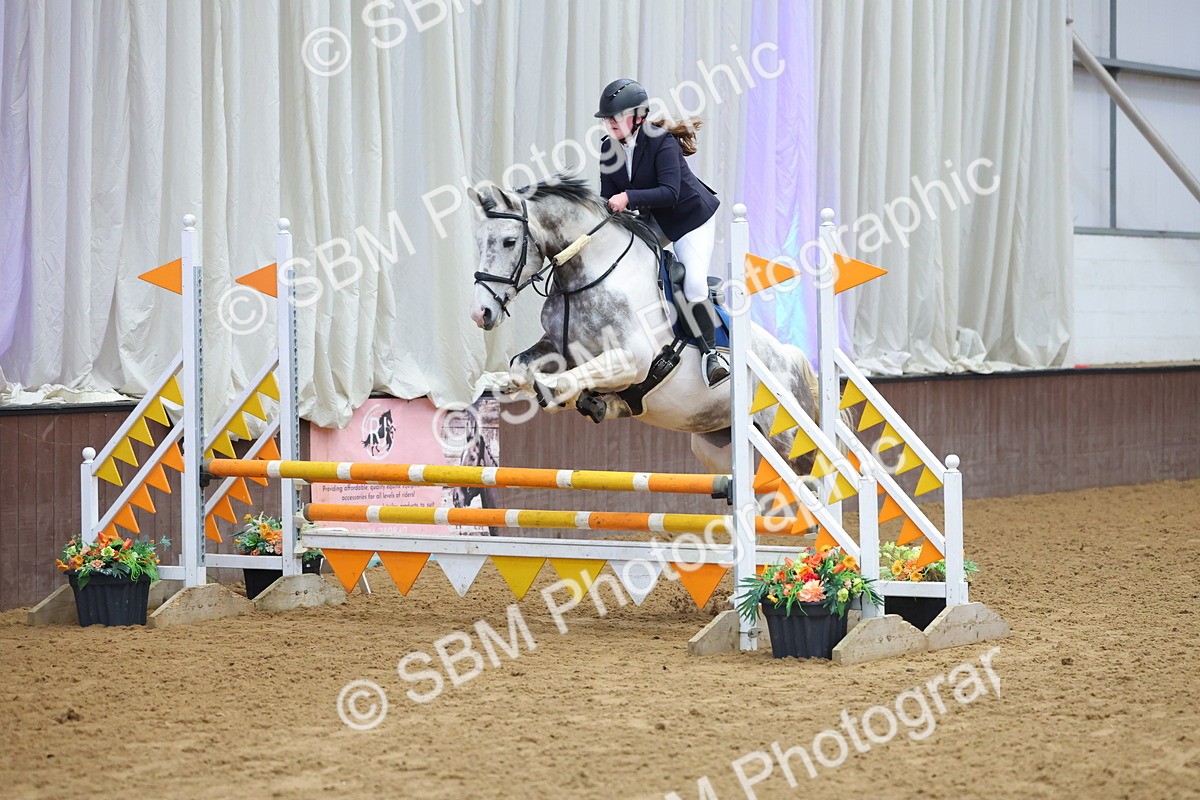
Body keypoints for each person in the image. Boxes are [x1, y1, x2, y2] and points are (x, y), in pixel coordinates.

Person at [595, 78, 729, 388]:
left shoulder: (660, 141)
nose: (610, 123)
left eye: (616, 117)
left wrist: (628, 198)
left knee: (693, 285)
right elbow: (607, 196)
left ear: (639, 116)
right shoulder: (607, 147)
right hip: (656, 220)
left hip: (691, 218)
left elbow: (670, 192)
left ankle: (712, 356)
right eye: (607, 118)